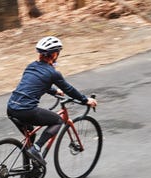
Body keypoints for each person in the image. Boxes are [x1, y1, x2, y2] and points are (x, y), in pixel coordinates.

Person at [7, 36, 97, 165]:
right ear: (54, 54)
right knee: (57, 120)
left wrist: (54, 91)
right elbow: (69, 89)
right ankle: (36, 149)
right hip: (27, 110)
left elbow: (36, 83)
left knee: (30, 136)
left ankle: (27, 169)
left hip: (11, 108)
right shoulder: (53, 73)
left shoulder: (31, 67)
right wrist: (85, 100)